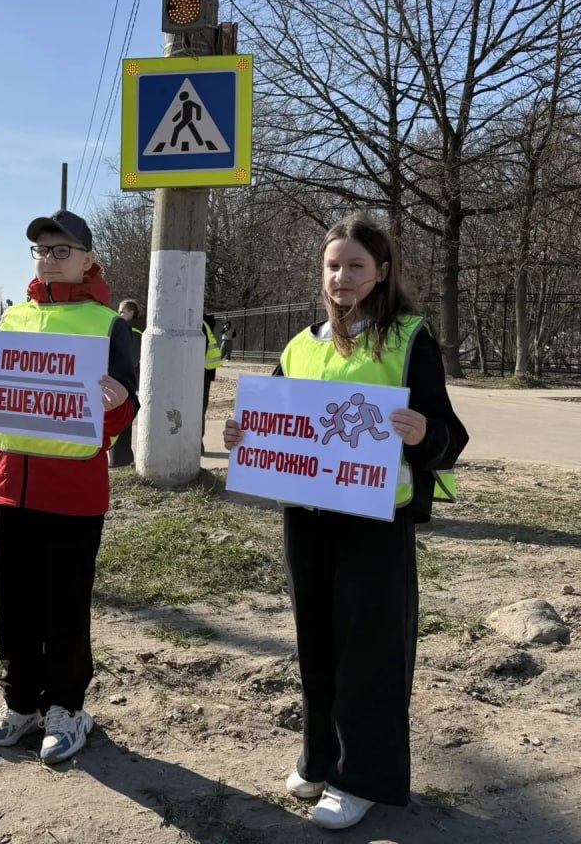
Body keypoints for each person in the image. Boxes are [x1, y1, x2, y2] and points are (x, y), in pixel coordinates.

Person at [222, 214, 467, 830]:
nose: (343, 277)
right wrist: (242, 434)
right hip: (308, 518)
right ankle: (319, 759)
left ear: (381, 273)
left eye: (356, 266)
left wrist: (423, 433)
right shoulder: (301, 345)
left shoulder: (410, 337)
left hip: (374, 521)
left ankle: (361, 776)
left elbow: (448, 435)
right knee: (318, 643)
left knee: (370, 650)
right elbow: (275, 420)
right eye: (334, 265)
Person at [0, 210, 138, 766]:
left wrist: (116, 404)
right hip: (8, 485)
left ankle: (66, 708)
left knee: (63, 606)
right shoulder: (13, 318)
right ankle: (20, 705)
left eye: (61, 250)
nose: (48, 258)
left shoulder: (108, 324)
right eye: (40, 250)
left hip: (73, 490)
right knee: (12, 606)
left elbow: (127, 405)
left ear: (87, 260)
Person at [108, 299, 143, 468]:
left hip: (126, 381)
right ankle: (121, 459)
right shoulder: (130, 328)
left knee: (121, 422)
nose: (119, 314)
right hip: (128, 381)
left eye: (122, 311)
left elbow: (132, 359)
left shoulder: (132, 330)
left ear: (131, 312)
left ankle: (121, 460)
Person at [201, 312, 223, 448]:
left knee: (197, 410)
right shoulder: (205, 325)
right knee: (200, 410)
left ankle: (197, 445)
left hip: (201, 374)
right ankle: (198, 445)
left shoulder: (200, 326)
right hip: (205, 374)